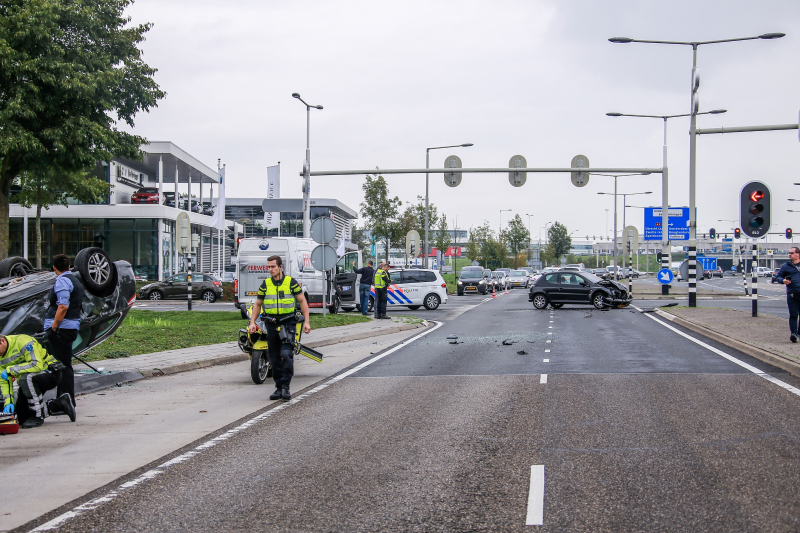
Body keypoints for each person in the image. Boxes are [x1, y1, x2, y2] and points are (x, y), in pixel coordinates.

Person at [248, 255, 311, 401]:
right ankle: (278, 387)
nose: (270, 269)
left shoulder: (290, 282)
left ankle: (285, 387)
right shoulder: (266, 284)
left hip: (287, 323)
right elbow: (258, 304)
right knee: (274, 358)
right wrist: (252, 322)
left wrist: (306, 321)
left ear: (280, 267)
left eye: (273, 267)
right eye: (268, 267)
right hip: (271, 324)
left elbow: (302, 301)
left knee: (286, 355)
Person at [0, 334, 73, 428]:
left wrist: (11, 369)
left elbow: (36, 365)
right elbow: (4, 380)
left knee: (25, 378)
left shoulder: (23, 342)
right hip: (28, 382)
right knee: (22, 417)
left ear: (2, 341)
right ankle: (59, 404)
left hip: (50, 373)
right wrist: (8, 402)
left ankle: (38, 417)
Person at [43, 254, 81, 417]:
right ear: (69, 266)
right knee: (64, 364)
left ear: (54, 268)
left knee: (62, 365)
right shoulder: (74, 279)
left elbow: (63, 306)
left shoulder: (62, 281)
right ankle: (65, 399)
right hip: (69, 327)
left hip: (61, 329)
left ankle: (65, 401)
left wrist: (54, 327)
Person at [775, 246, 800, 343]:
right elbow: (778, 277)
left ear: (798, 254)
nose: (790, 255)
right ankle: (794, 334)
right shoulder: (786, 266)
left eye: (792, 253)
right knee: (793, 315)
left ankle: (798, 333)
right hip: (792, 294)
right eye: (789, 253)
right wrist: (783, 281)